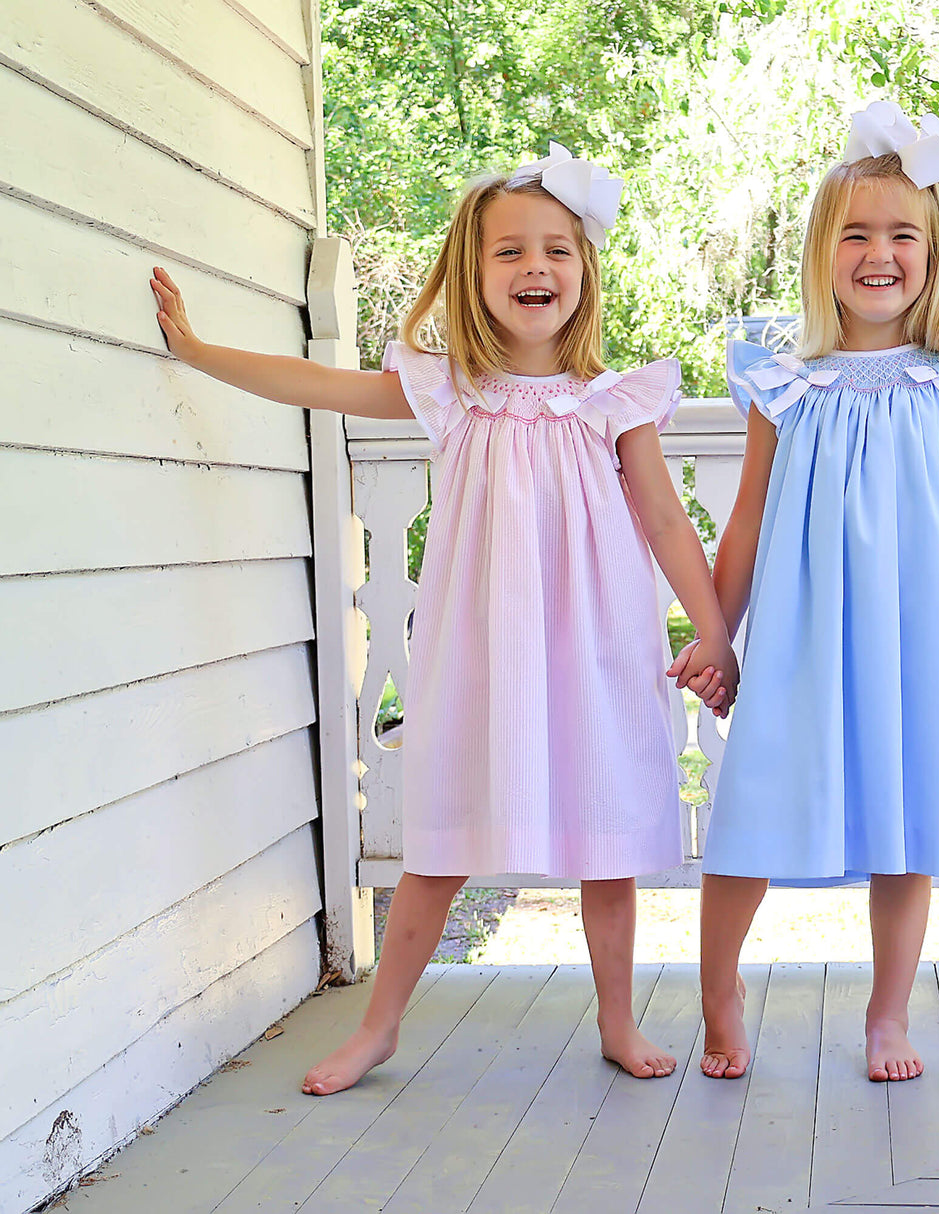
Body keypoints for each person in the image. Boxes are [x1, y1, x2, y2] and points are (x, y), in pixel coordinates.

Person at [150, 142, 738, 1095]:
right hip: (482, 647)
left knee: (607, 843)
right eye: (508, 252)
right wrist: (199, 352)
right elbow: (320, 388)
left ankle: (618, 1019)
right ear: (472, 272)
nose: (534, 268)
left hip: (597, 642)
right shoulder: (451, 391)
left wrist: (710, 631)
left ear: (586, 271)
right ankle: (380, 1026)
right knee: (444, 840)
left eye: (557, 249)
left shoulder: (612, 401)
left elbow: (669, 521)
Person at [672, 102, 939, 1084]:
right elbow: (748, 520)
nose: (878, 252)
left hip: (903, 636)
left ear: (933, 255)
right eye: (855, 232)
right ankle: (720, 995)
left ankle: (886, 1015)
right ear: (821, 250)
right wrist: (715, 635)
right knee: (750, 806)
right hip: (796, 637)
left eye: (902, 235)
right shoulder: (783, 377)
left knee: (903, 818)